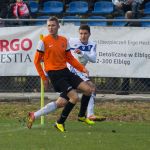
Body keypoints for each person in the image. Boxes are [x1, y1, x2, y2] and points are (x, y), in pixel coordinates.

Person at [27, 16, 94, 132]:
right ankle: (59, 123)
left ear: (58, 26)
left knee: (88, 90)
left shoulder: (64, 40)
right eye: (48, 25)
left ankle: (81, 116)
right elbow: (36, 61)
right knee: (74, 97)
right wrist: (44, 77)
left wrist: (82, 68)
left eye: (53, 25)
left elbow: (70, 58)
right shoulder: (43, 42)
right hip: (55, 75)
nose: (51, 28)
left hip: (66, 72)